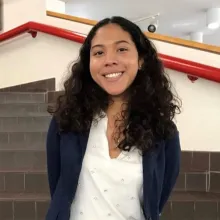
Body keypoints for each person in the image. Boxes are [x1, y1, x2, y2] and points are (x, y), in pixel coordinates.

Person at [46, 16, 181, 220]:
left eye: (122, 49)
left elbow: (157, 198)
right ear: (89, 62)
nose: (109, 60)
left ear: (141, 59)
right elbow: (58, 188)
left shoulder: (162, 130)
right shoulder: (67, 120)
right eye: (99, 52)